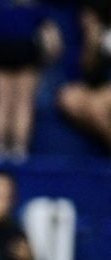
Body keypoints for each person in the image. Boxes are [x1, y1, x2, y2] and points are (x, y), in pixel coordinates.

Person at [0, 0, 61, 162]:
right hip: (24, 46)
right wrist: (50, 58)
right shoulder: (36, 10)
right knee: (23, 102)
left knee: (1, 101)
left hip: (2, 46)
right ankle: (19, 149)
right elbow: (52, 38)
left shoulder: (0, 8)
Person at [57, 0, 111, 152]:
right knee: (68, 98)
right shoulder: (96, 30)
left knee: (98, 106)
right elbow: (89, 72)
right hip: (99, 87)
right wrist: (91, 42)